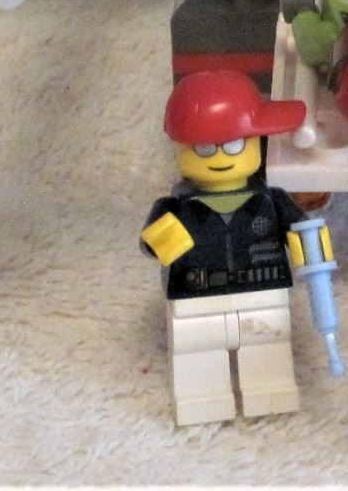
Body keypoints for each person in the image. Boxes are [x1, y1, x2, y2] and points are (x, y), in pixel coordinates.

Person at [139, 70, 337, 425]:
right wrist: (162, 239)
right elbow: (150, 243)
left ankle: (269, 394)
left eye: (234, 145)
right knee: (198, 350)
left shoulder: (272, 201)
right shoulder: (176, 208)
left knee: (268, 347)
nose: (221, 156)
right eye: (205, 148)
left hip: (263, 293)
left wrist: (312, 251)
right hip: (195, 298)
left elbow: (304, 233)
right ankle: (202, 399)